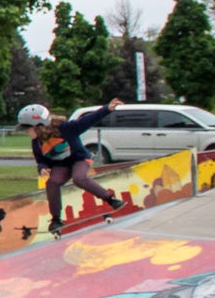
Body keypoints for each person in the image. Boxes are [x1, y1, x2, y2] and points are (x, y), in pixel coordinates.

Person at [17, 99, 130, 235]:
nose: (26, 133)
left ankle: (111, 200)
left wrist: (107, 108)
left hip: (80, 160)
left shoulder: (66, 128)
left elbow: (87, 120)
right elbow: (40, 160)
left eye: (27, 129)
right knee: (52, 183)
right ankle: (56, 220)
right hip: (61, 166)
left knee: (79, 178)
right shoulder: (37, 142)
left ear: (39, 126)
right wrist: (42, 167)